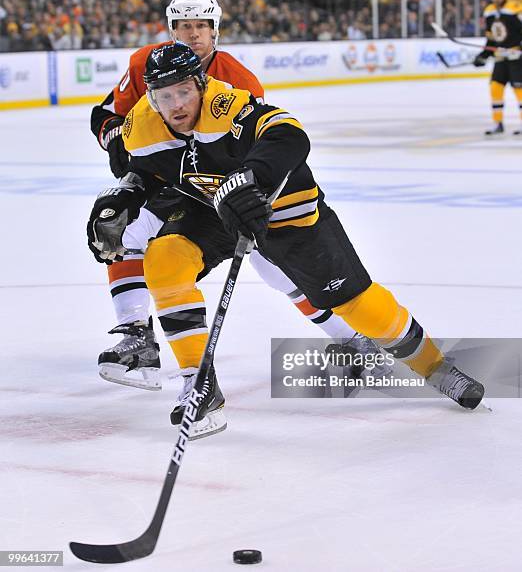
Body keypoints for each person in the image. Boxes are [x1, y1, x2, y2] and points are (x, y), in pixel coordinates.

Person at [86, 43, 485, 439]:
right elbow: (147, 172)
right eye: (164, 95)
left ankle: (435, 366)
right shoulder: (142, 124)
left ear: (202, 84)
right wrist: (124, 197)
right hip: (212, 210)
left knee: (355, 304)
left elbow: (289, 135)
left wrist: (252, 178)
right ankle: (200, 383)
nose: (176, 104)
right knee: (164, 259)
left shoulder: (227, 107)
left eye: (184, 91)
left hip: (285, 208)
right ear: (152, 97)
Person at [90, 0, 374, 392]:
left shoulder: (238, 80)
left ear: (215, 30)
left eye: (201, 26)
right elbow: (106, 115)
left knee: (280, 273)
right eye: (184, 26)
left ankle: (352, 338)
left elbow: (260, 149)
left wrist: (246, 194)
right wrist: (116, 140)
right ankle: (137, 338)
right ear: (171, 29)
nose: (193, 34)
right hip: (173, 181)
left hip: (225, 191)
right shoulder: (145, 64)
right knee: (122, 231)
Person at [473, 0, 522, 136]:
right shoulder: (489, 12)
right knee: (495, 88)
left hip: (516, 57)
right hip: (500, 57)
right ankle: (498, 123)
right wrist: (484, 55)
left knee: (519, 90)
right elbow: (491, 38)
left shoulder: (515, 8)